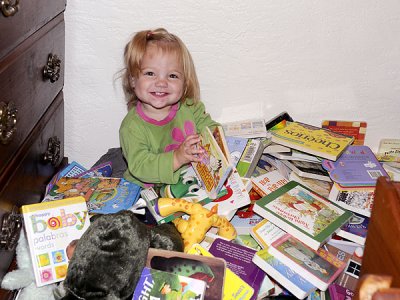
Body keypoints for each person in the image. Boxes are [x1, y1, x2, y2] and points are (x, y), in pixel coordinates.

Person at [119, 28, 219, 187]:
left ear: (185, 83)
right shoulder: (132, 127)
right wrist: (177, 158)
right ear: (132, 80)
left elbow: (211, 129)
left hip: (189, 182)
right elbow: (140, 166)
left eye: (172, 76)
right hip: (148, 190)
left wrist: (215, 138)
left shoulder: (191, 108)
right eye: (150, 73)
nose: (161, 83)